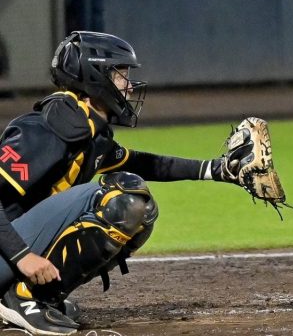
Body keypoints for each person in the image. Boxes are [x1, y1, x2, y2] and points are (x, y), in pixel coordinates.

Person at [0, 31, 250, 335]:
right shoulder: (42, 130)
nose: (129, 85)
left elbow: (145, 163)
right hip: (9, 255)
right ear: (95, 77)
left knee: (142, 209)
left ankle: (39, 294)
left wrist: (219, 169)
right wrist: (23, 258)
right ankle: (23, 299)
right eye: (120, 75)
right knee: (119, 197)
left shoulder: (86, 132)